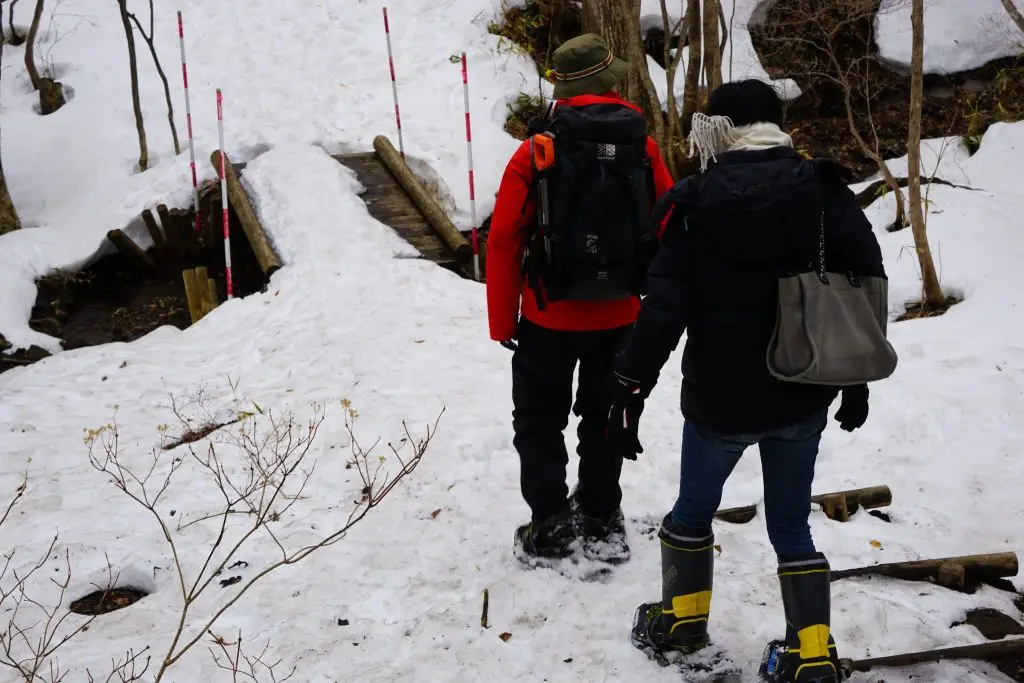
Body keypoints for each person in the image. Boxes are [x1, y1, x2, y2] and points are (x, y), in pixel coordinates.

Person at [606, 79, 886, 682]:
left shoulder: (695, 201)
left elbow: (664, 308)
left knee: (692, 512)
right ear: (777, 124)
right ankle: (810, 653)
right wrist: (857, 375)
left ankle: (681, 623)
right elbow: (866, 276)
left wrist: (630, 383)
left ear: (720, 128)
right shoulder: (822, 189)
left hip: (719, 399)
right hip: (804, 388)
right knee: (790, 523)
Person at [486, 33, 675, 566]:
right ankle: (600, 514)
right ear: (609, 83)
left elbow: (503, 240)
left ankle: (549, 523)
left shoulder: (534, 152)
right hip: (622, 313)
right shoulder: (644, 148)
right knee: (606, 413)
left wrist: (504, 321)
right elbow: (671, 224)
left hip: (549, 313)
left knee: (540, 419)